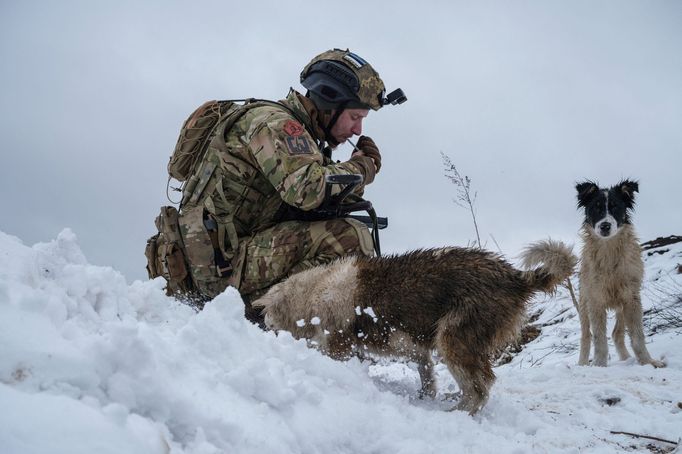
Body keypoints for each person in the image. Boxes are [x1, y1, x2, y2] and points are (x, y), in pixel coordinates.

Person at [175, 48, 405, 325]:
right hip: (220, 266)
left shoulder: (301, 135)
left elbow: (316, 199)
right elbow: (307, 190)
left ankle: (280, 319)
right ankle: (267, 320)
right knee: (347, 237)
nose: (358, 130)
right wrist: (361, 168)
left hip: (225, 257)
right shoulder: (276, 124)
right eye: (355, 116)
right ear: (329, 103)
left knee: (345, 229)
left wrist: (356, 173)